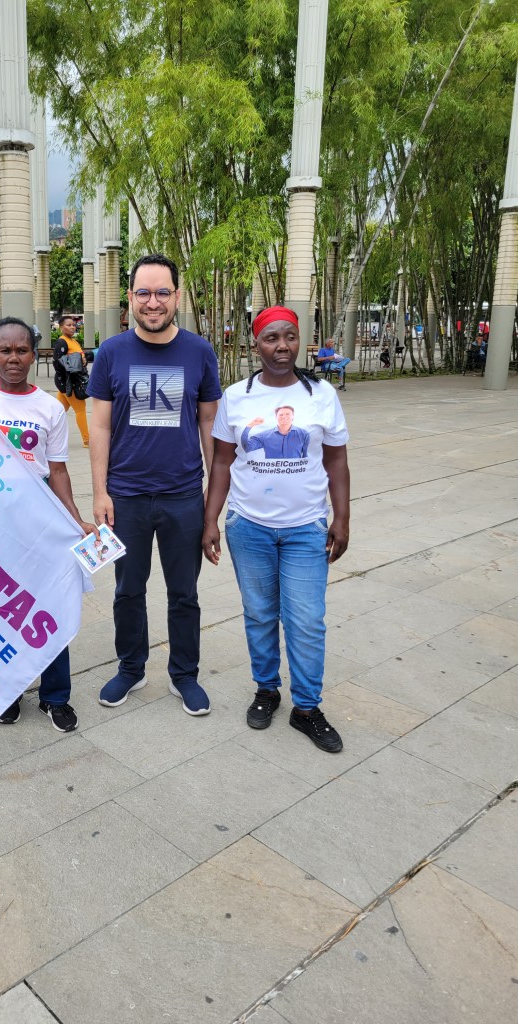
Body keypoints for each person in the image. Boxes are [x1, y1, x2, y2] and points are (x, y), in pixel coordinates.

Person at [202, 305, 350, 753]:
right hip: (249, 527)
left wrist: (342, 517)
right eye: (271, 338)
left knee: (306, 621)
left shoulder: (321, 394)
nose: (282, 346)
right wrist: (211, 519)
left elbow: (336, 460)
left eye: (289, 337)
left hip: (306, 528)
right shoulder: (236, 397)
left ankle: (306, 708)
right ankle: (267, 689)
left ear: (299, 341)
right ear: (256, 345)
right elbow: (222, 461)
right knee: (260, 614)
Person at [88, 253, 221, 716]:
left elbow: (209, 426)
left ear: (177, 297)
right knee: (128, 590)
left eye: (162, 292)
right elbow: (99, 427)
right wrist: (100, 492)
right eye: (143, 292)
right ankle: (131, 667)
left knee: (185, 593)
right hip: (125, 497)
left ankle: (184, 674)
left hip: (183, 496)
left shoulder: (200, 352)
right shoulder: (111, 352)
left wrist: (214, 502)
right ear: (130, 297)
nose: (153, 302)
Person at [0, 317, 97, 732]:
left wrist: (75, 519)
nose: (14, 358)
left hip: (38, 523)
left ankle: (55, 696)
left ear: (33, 354)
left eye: (22, 350)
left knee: (48, 606)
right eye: (5, 350)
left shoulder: (50, 408)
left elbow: (57, 470)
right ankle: (5, 692)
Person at [53, 314, 89, 447]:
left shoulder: (74, 341)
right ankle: (87, 440)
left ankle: (46, 436)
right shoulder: (62, 342)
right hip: (69, 382)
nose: (72, 327)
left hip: (69, 382)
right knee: (80, 409)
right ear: (61, 327)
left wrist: (83, 360)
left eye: (74, 325)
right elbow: (57, 363)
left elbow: (79, 359)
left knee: (58, 412)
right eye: (69, 325)